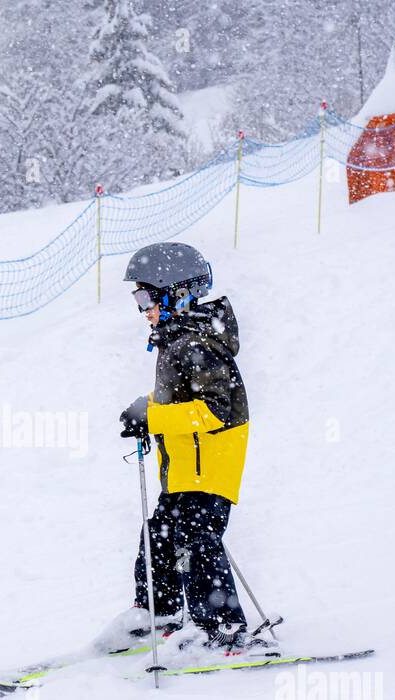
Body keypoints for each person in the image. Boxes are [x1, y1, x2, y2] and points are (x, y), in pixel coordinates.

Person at [102, 241, 273, 663]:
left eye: (145, 297)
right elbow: (177, 400)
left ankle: (226, 631)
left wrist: (155, 420)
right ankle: (160, 615)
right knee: (157, 534)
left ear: (175, 292)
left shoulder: (197, 344)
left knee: (198, 542)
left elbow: (215, 409)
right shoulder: (175, 340)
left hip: (209, 471)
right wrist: (146, 409)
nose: (141, 308)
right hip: (181, 472)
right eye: (137, 299)